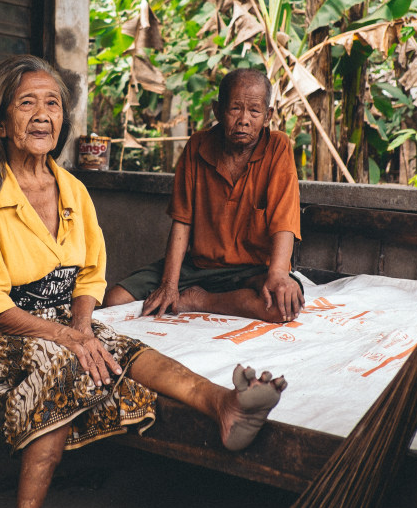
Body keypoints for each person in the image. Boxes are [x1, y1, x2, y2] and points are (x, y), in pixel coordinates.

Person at [0, 55, 287, 508]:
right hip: (2, 325)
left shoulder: (71, 188)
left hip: (61, 320)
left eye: (52, 103)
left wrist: (81, 326)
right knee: (66, 366)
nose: (42, 115)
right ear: (1, 121)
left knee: (119, 346)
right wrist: (66, 339)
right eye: (26, 103)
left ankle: (223, 403)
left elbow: (90, 275)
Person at [104, 69, 304, 324]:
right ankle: (209, 295)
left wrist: (277, 274)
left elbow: (284, 221)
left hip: (254, 270)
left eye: (254, 111)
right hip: (198, 267)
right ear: (217, 111)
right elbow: (182, 221)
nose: (244, 119)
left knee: (281, 308)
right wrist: (169, 284)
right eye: (235, 109)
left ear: (268, 116)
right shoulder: (198, 146)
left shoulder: (278, 147)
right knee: (114, 300)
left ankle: (201, 300)